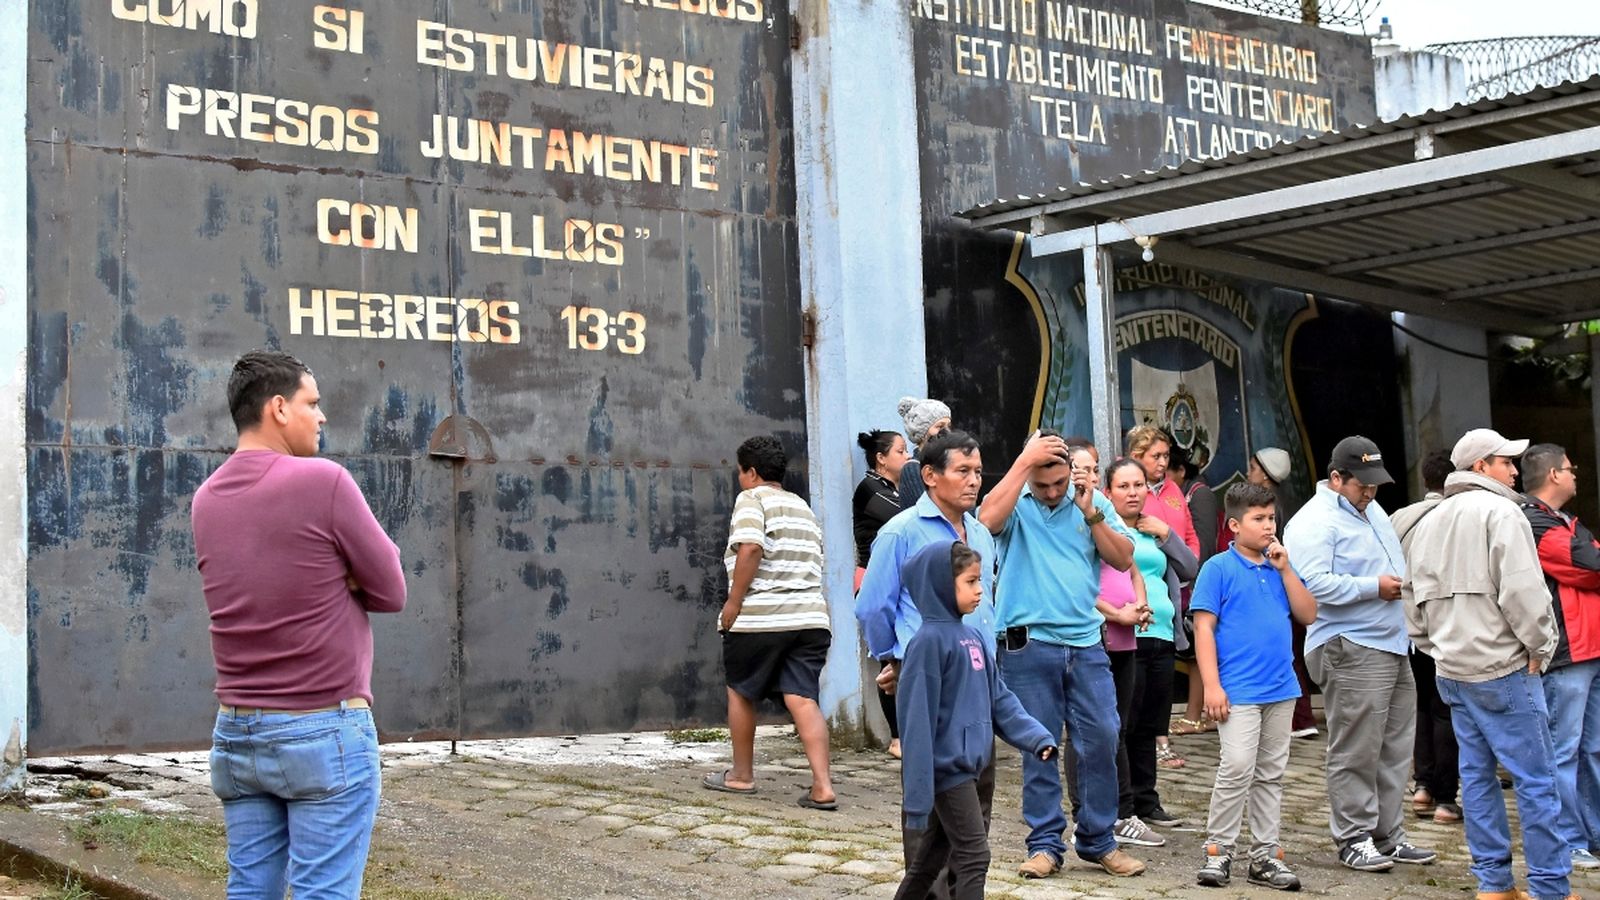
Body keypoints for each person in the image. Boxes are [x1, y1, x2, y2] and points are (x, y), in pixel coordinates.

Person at [191, 350, 407, 899]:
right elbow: (391, 590)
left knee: (249, 889)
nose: (322, 415)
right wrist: (344, 577)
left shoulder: (206, 499)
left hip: (237, 733)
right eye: (313, 403)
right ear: (279, 408)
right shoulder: (323, 482)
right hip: (322, 732)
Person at [1405, 428, 1570, 900]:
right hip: (1503, 666)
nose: (1515, 471)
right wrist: (1541, 648)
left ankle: (1494, 885)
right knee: (1537, 780)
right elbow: (1524, 593)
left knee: (1477, 778)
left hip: (1453, 669)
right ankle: (1550, 888)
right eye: (1505, 461)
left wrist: (1436, 646)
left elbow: (1411, 600)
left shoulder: (1430, 518)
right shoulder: (1502, 512)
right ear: (1480, 466)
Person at [977, 434, 1146, 880]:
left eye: (1059, 483)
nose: (1052, 492)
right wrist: (1023, 463)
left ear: (1071, 473)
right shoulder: (1016, 501)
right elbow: (985, 520)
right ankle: (1045, 844)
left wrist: (1091, 513)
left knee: (1103, 736)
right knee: (1041, 745)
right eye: (1042, 484)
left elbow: (1123, 558)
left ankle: (1098, 840)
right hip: (1027, 642)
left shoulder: (1092, 502)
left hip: (1086, 643)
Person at [857, 429, 1013, 891]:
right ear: (929, 475)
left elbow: (985, 606)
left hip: (976, 677)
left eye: (978, 471)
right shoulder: (901, 531)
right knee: (931, 797)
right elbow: (872, 606)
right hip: (928, 677)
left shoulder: (980, 533)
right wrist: (894, 658)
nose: (974, 481)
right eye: (962, 471)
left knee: (975, 799)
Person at [1285, 436, 1435, 872]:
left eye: (1374, 484)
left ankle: (1388, 835)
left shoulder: (1371, 510)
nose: (1370, 491)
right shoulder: (1314, 522)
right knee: (1357, 748)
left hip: (1392, 641)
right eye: (1361, 484)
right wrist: (1374, 588)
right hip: (1350, 643)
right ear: (1336, 478)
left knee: (1395, 747)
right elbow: (1310, 585)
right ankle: (1354, 837)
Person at [895, 540, 1057, 900]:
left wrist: (1036, 737)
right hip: (948, 771)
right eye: (970, 581)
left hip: (971, 767)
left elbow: (1000, 699)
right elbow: (916, 724)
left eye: (980, 580)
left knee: (930, 859)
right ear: (941, 584)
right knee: (974, 855)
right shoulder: (927, 643)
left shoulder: (972, 638)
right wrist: (917, 799)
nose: (980, 589)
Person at [1192, 482, 1317, 891]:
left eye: (1271, 518)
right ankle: (1219, 850)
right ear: (1234, 525)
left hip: (1281, 688)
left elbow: (1308, 613)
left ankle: (1265, 855)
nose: (1268, 526)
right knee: (1237, 767)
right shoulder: (1218, 569)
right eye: (1258, 519)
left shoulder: (1280, 568)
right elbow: (1204, 629)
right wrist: (1212, 686)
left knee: (1270, 773)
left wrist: (1286, 569)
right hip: (1239, 689)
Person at [704, 436, 836, 811]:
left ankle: (741, 775)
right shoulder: (802, 508)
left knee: (741, 690)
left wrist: (733, 601)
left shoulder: (752, 499)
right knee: (802, 696)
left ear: (751, 472)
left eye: (740, 472)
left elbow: (750, 547)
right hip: (810, 618)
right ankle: (823, 786)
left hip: (762, 617)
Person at [1099, 457, 1199, 846]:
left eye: (1138, 485)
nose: (1132, 493)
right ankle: (1121, 805)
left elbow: (1189, 568)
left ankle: (1147, 801)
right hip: (1126, 635)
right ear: (1108, 492)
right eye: (1123, 486)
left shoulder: (1154, 529)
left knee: (1151, 723)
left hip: (1162, 634)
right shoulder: (1105, 530)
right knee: (1125, 722)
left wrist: (1167, 534)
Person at [1520, 442, 1600, 871]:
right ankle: (1568, 841)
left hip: (1591, 650)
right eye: (1570, 468)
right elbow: (1589, 565)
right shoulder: (1534, 521)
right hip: (1567, 654)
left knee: (1594, 749)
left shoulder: (1567, 521)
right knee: (1564, 751)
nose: (1575, 474)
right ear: (1553, 475)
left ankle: (1593, 834)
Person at [1391, 449, 1462, 824]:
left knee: (1420, 705)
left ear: (1424, 480)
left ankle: (1422, 786)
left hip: (1408, 625)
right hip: (1448, 626)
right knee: (1445, 710)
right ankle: (1446, 799)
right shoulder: (1458, 516)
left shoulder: (1400, 517)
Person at [855, 429, 912, 758]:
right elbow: (906, 515)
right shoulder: (869, 488)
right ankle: (896, 738)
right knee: (888, 657)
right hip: (874, 579)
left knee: (902, 655)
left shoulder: (896, 489)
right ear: (881, 458)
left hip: (900, 582)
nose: (907, 457)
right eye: (901, 452)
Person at [896, 396, 952, 508]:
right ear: (922, 433)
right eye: (940, 426)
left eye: (948, 426)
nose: (946, 432)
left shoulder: (944, 464)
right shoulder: (913, 468)